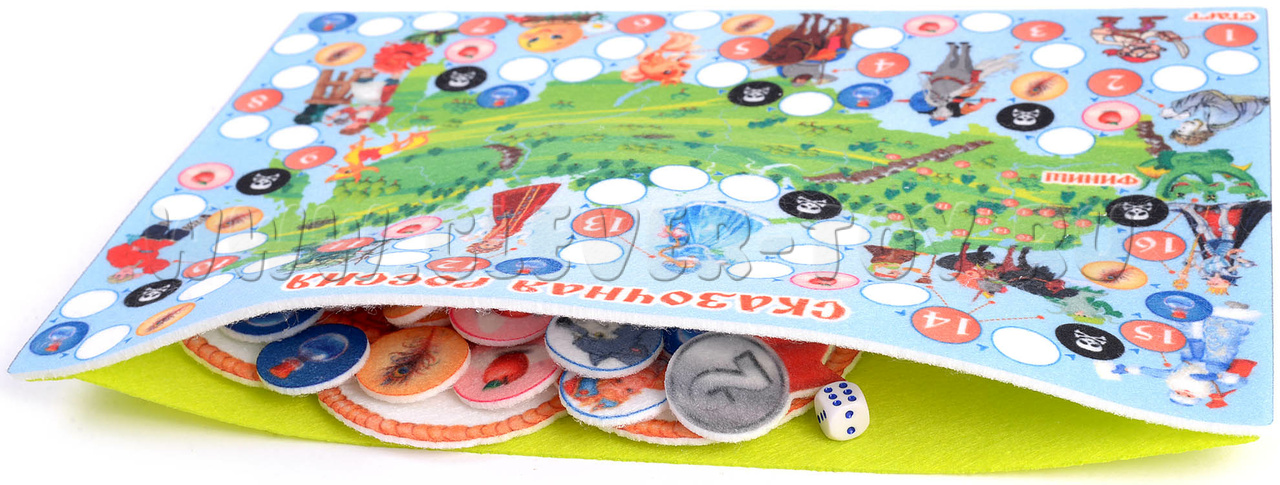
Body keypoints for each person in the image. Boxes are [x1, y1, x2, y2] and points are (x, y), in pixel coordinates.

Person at [107, 215, 211, 283]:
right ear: (132, 275)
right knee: (180, 233)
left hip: (146, 240)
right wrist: (144, 273)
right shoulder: (144, 266)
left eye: (119, 275)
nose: (125, 272)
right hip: (160, 244)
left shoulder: (116, 262)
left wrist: (131, 249)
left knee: (161, 227)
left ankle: (175, 214)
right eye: (127, 275)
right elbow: (163, 263)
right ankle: (199, 220)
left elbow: (114, 251)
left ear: (116, 273)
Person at [1161, 90, 1270, 146]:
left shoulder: (1213, 123)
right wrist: (1177, 108)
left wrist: (1188, 112)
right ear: (1196, 134)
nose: (1182, 124)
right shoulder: (1219, 119)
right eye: (1182, 129)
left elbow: (1207, 103)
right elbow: (1209, 96)